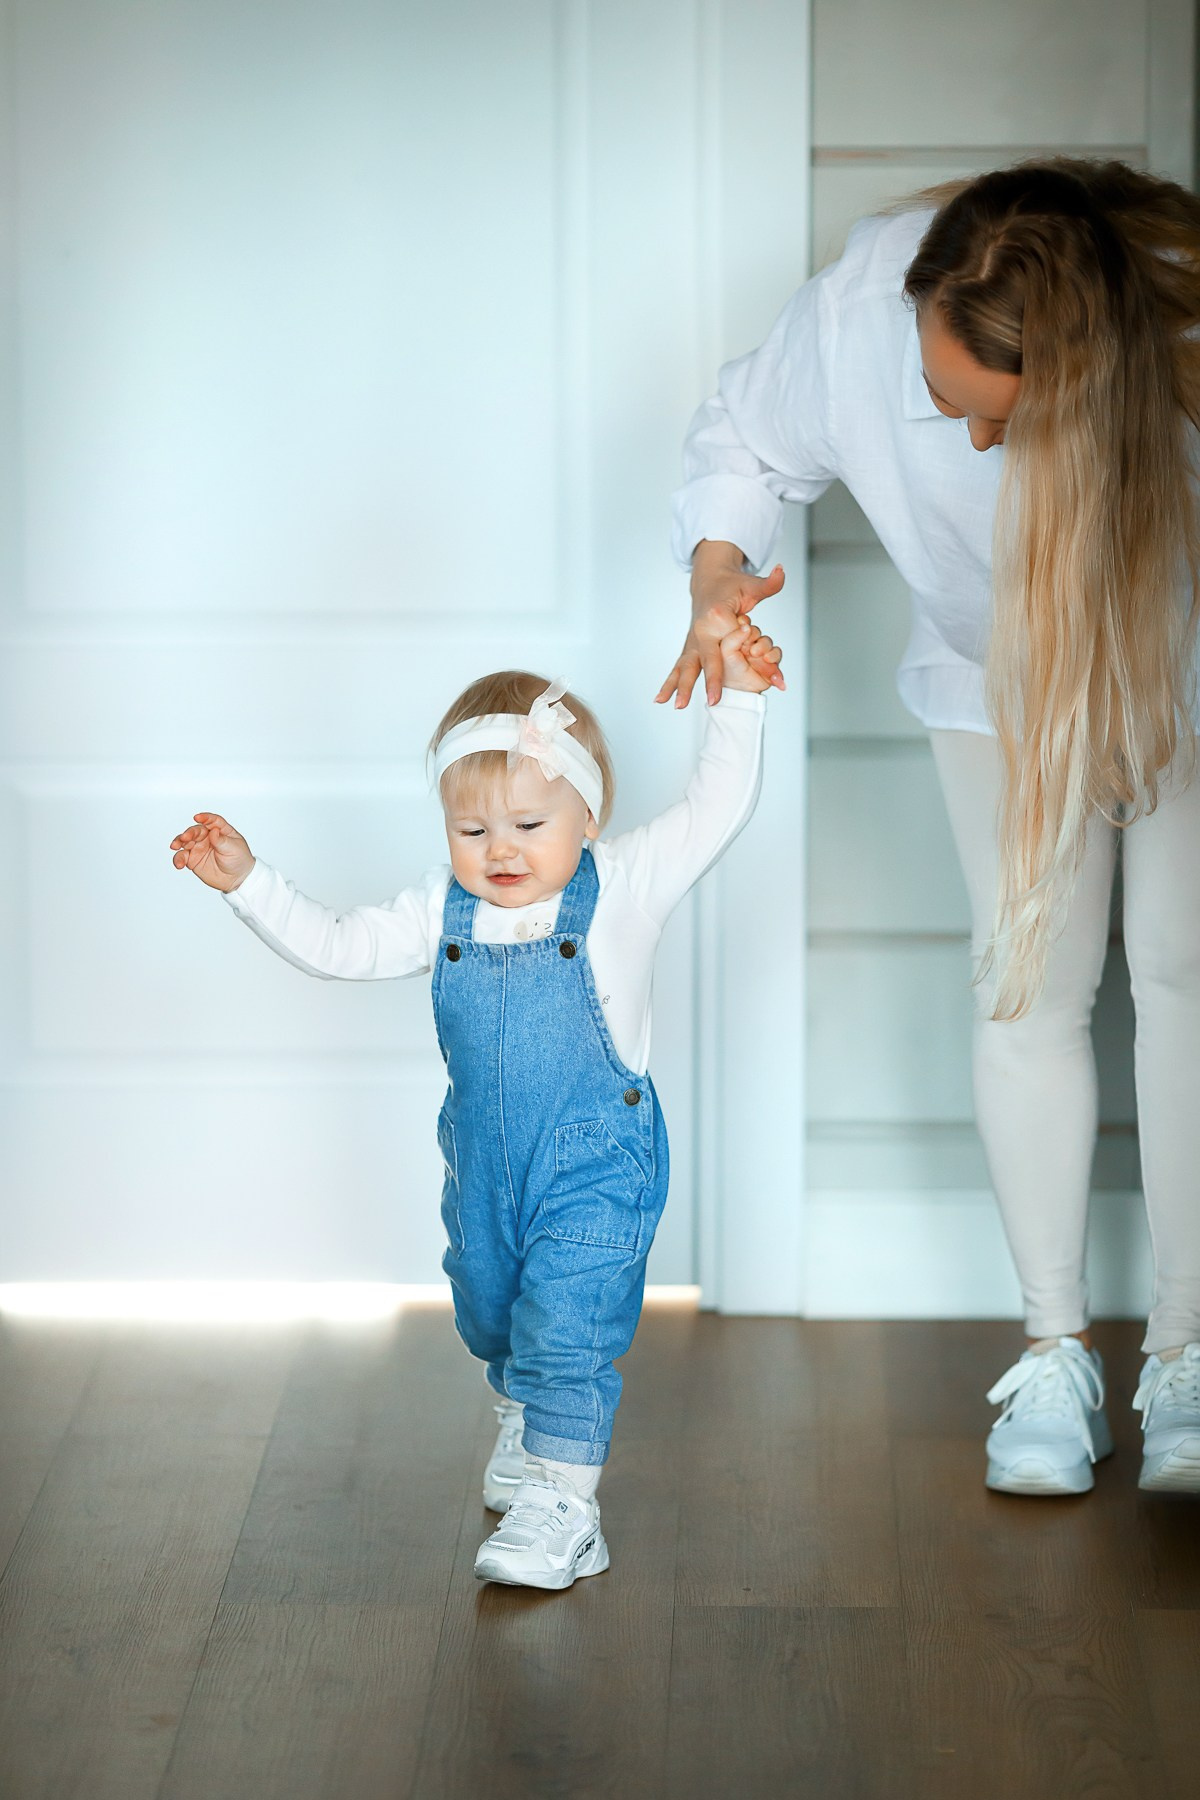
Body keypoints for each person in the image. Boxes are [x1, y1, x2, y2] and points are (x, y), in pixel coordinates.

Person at [664, 158, 1200, 1497]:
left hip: (1183, 670)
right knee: (1026, 988)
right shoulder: (858, 314)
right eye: (950, 405)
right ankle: (1055, 1350)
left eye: (1005, 424)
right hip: (991, 682)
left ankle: (1187, 1357)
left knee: (1187, 979)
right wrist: (718, 577)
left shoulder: (1178, 331)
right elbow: (742, 445)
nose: (972, 445)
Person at [169, 624, 780, 1587]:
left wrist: (739, 697)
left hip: (597, 1162)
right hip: (486, 1166)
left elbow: (716, 806)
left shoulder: (622, 887)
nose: (500, 852)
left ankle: (565, 1509)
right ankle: (522, 1415)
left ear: (587, 814)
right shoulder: (437, 909)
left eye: (530, 827)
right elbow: (338, 944)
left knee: (566, 1326)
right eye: (472, 830)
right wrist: (251, 883)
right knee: (492, 1313)